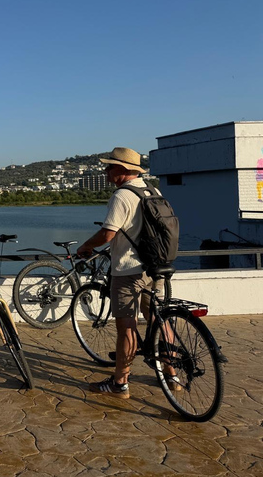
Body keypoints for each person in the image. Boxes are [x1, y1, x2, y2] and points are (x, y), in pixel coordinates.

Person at [76, 147, 172, 399]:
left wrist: (86, 246)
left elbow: (108, 233)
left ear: (123, 169)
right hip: (155, 267)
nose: (105, 171)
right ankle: (172, 373)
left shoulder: (122, 196)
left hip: (128, 269)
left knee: (126, 327)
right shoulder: (152, 190)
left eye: (109, 166)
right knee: (156, 318)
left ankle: (120, 384)